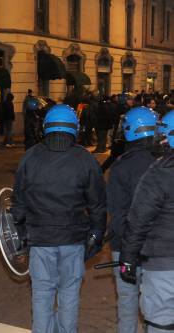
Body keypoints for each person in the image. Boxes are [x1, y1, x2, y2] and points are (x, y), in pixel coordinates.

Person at [11, 104, 107, 333]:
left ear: (46, 127)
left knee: (42, 295)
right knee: (69, 294)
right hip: (73, 240)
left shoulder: (30, 157)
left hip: (41, 240)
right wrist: (96, 233)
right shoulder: (85, 159)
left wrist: (22, 232)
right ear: (75, 128)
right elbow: (98, 204)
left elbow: (18, 202)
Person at [119, 109, 174, 333]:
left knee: (161, 322)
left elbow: (138, 220)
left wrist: (128, 258)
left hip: (164, 265)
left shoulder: (159, 173)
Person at [107, 106, 158, 333]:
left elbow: (116, 213)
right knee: (157, 307)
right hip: (156, 248)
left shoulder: (121, 166)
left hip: (125, 246)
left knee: (127, 302)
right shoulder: (163, 164)